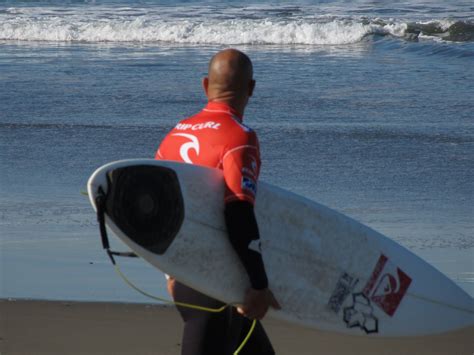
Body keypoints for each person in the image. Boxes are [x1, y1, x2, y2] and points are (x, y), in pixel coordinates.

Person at [155, 49, 280, 355]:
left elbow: (157, 208)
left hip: (182, 273)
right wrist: (259, 284)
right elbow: (238, 210)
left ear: (205, 85)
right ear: (250, 89)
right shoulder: (239, 137)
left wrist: (168, 270)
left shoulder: (175, 133)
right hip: (217, 277)